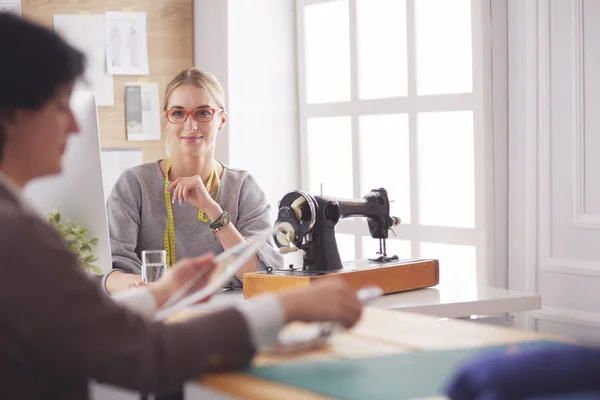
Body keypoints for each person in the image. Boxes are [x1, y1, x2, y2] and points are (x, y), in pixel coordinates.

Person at [0, 13, 363, 399]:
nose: (74, 125)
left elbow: (79, 330)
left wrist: (161, 291)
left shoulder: (15, 222)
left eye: (203, 112)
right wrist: (287, 307)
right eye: (59, 105)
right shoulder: (17, 235)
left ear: (221, 119)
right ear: (12, 112)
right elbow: (143, 351)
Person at [105, 67, 281, 292]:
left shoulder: (243, 188)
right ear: (166, 120)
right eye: (178, 113)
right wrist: (141, 288)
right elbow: (111, 266)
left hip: (225, 315)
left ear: (221, 119)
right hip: (153, 314)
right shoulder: (134, 185)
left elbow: (261, 272)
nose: (190, 125)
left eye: (203, 113)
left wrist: (212, 210)